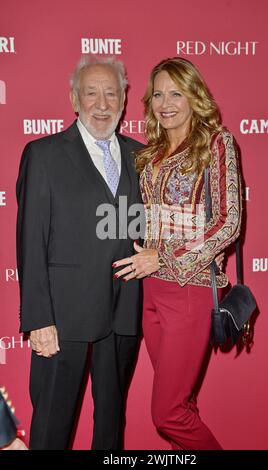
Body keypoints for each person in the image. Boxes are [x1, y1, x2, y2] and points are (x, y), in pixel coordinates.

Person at [113, 57, 242, 450]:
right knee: (181, 406)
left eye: (176, 93)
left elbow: (229, 221)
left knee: (167, 412)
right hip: (150, 293)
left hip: (191, 289)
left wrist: (166, 259)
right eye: (158, 94)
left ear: (194, 96)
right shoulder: (149, 154)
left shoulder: (217, 142)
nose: (165, 102)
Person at [16, 56, 144, 450]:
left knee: (111, 427)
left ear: (124, 100)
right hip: (63, 318)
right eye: (91, 93)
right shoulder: (45, 154)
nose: (102, 104)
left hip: (123, 312)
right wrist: (39, 319)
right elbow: (30, 241)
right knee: (52, 426)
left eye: (111, 93)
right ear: (74, 98)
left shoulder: (143, 158)